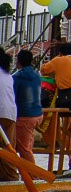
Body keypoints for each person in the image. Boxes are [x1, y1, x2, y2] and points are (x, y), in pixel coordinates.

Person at [13, 50, 43, 163]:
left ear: (18, 61)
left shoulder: (17, 77)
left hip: (25, 116)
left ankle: (33, 177)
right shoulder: (37, 75)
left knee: (24, 149)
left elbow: (13, 96)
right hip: (38, 114)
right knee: (26, 146)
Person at [0, 52, 18, 181]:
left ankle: (11, 178)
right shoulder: (8, 75)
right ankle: (11, 177)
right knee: (7, 148)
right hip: (10, 115)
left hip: (1, 113)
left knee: (6, 149)